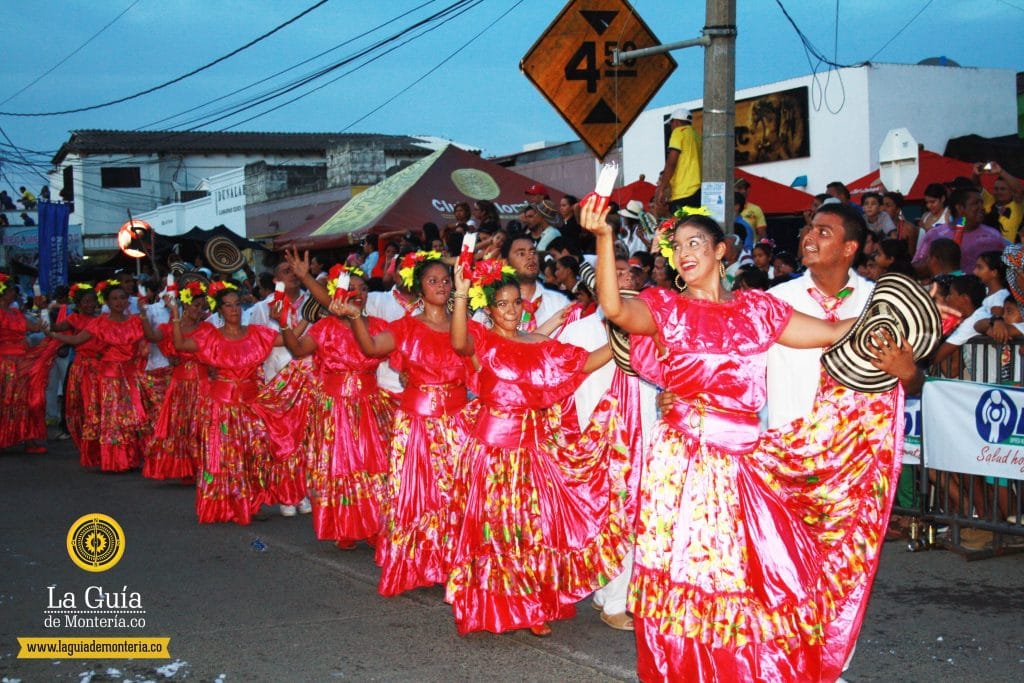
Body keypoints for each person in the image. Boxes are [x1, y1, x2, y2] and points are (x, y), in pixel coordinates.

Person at [580, 196, 906, 682]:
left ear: (722, 250)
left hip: (744, 459)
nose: (686, 254)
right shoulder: (664, 308)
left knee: (754, 574)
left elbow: (833, 330)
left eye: (696, 243)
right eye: (677, 248)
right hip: (682, 465)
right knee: (690, 575)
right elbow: (613, 307)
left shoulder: (758, 310)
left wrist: (905, 332)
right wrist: (604, 238)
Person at [444, 259, 627, 637]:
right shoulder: (482, 340)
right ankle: (492, 604)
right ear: (490, 308)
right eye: (503, 304)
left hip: (533, 451)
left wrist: (622, 335)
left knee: (532, 531)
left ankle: (532, 606)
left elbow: (585, 364)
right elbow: (458, 342)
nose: (511, 310)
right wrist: (460, 293)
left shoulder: (540, 344)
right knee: (494, 533)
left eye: (515, 303)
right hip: (492, 453)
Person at [340, 253, 472, 596]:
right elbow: (370, 347)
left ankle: (452, 563)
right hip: (416, 424)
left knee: (456, 495)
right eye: (433, 281)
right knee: (417, 495)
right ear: (419, 288)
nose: (441, 286)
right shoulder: (405, 328)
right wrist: (356, 317)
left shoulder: (466, 326)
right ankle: (417, 563)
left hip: (459, 422)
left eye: (446, 280)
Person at [282, 266, 395, 549]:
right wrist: (284, 324)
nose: (359, 294)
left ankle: (374, 525)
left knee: (375, 465)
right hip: (333, 409)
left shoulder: (381, 327)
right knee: (339, 465)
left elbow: (400, 357)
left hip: (370, 405)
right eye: (353, 288)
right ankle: (344, 526)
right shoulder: (325, 328)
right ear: (340, 294)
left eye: (364, 289)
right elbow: (297, 351)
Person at [171, 282, 284, 525]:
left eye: (237, 305)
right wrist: (175, 317)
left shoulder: (257, 333)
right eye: (228, 306)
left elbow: (292, 342)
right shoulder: (210, 336)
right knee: (225, 456)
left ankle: (251, 501)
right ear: (219, 311)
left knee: (254, 453)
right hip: (222, 405)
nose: (234, 310)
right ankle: (225, 503)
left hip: (251, 404)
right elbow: (180, 345)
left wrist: (284, 318)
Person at [51, 279, 154, 472]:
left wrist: (144, 314)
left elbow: (154, 337)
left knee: (133, 416)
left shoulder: (135, 321)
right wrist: (53, 334)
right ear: (106, 302)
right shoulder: (99, 323)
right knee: (114, 417)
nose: (119, 302)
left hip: (131, 375)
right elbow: (76, 339)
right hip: (109, 376)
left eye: (123, 298)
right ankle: (116, 459)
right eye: (114, 298)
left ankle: (132, 456)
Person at [142, 281, 211, 482]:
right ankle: (185, 468)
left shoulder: (207, 329)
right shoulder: (172, 327)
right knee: (180, 426)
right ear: (185, 305)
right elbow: (151, 336)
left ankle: (203, 466)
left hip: (202, 382)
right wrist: (143, 313)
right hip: (180, 383)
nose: (199, 310)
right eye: (195, 306)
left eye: (202, 306)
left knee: (200, 425)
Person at [0, 273, 47, 452]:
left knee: (27, 399)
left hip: (23, 361)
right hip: (4, 362)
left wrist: (42, 308)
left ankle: (29, 439)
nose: (14, 293)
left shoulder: (16, 312)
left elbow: (37, 327)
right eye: (11, 290)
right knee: (5, 399)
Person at [913, 187, 1007, 273]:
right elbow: (916, 266)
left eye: (981, 203)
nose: (981, 208)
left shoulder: (993, 235)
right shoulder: (935, 234)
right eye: (975, 203)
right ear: (960, 208)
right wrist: (938, 262)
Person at [656, 109, 701, 214]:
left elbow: (671, 162)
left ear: (675, 122)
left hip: (683, 192)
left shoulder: (678, 132)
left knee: (680, 227)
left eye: (670, 123)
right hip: (697, 191)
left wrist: (662, 188)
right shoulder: (696, 136)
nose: (671, 127)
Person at [973, 162, 1023, 243]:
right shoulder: (989, 200)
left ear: (1011, 192)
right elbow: (975, 187)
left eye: (1002, 189)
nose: (998, 192)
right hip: (983, 247)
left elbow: (1019, 190)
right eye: (996, 189)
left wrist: (1001, 172)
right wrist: (975, 174)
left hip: (1005, 251)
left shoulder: (1017, 205)